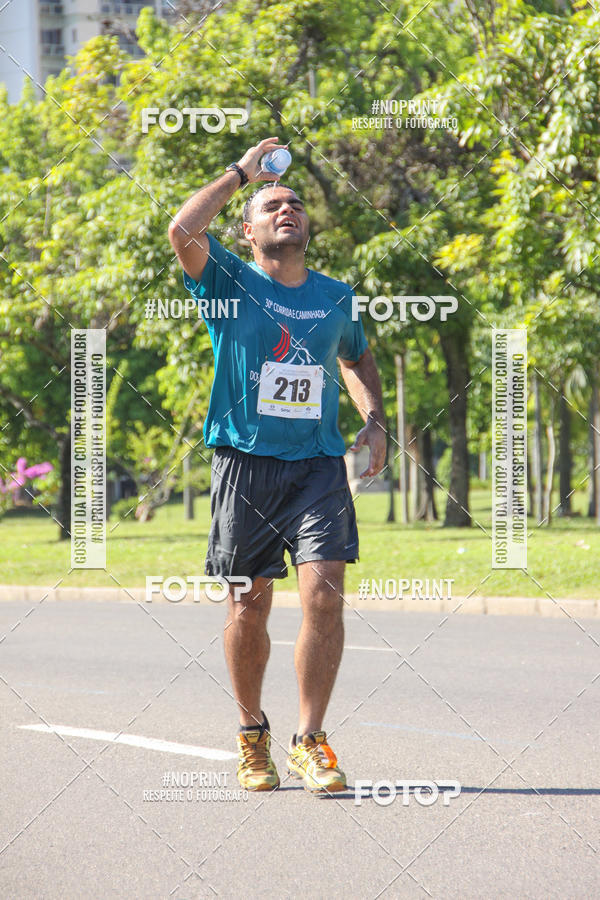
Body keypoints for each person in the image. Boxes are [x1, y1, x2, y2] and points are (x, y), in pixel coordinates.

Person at [168, 137, 386, 793]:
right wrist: (241, 172)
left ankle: (310, 738)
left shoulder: (334, 297)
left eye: (295, 203)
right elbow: (181, 228)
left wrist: (374, 419)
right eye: (273, 204)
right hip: (244, 464)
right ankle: (251, 734)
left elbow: (356, 358)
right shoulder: (228, 281)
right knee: (249, 607)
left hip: (317, 466)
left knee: (324, 594)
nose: (287, 209)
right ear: (248, 227)